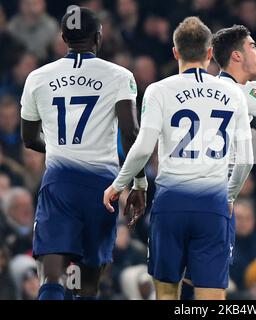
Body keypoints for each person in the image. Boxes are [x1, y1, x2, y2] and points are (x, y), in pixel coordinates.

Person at [103, 17, 254, 300]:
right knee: (211, 295)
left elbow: (143, 145)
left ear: (175, 52)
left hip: (171, 203)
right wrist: (229, 196)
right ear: (210, 53)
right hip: (213, 204)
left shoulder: (159, 90)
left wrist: (120, 184)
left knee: (167, 293)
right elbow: (246, 160)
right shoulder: (233, 92)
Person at [20, 7, 144, 300]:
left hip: (59, 182)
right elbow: (130, 134)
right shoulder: (119, 76)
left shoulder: (38, 77)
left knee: (53, 276)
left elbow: (28, 138)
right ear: (99, 38)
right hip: (102, 187)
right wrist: (139, 182)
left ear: (63, 37)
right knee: (87, 284)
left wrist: (62, 149)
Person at [179, 23, 256, 300]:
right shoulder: (238, 93)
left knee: (192, 276)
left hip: (190, 189)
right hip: (217, 194)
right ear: (236, 56)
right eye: (252, 46)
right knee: (210, 281)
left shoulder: (233, 87)